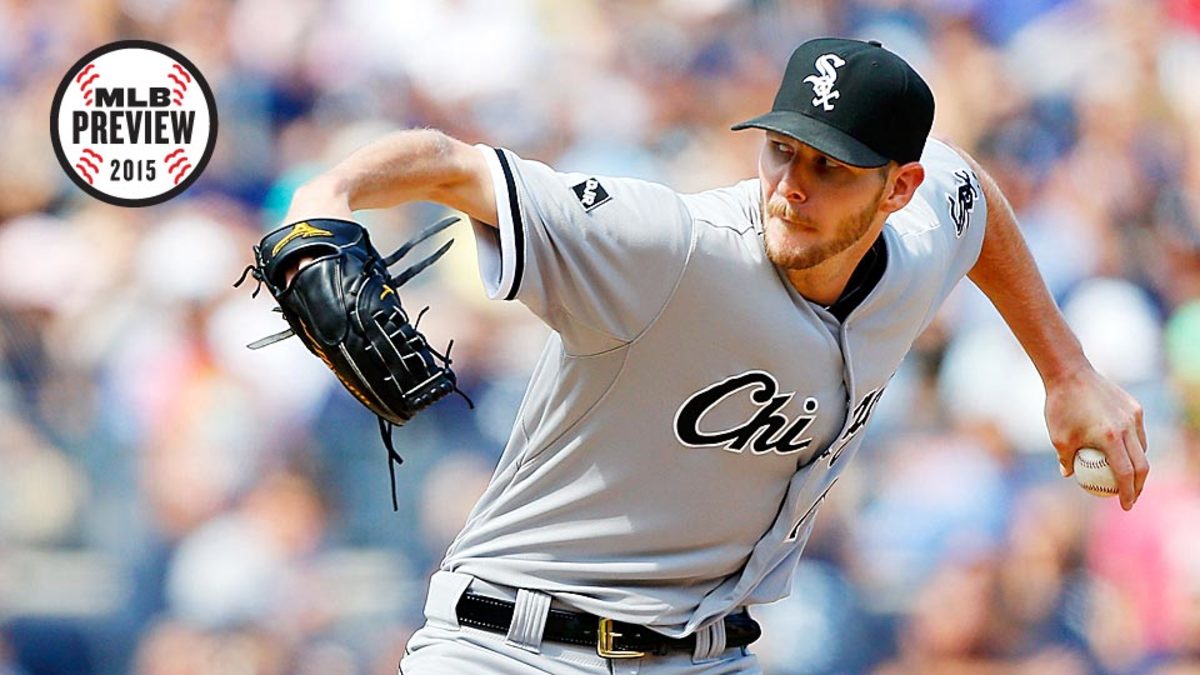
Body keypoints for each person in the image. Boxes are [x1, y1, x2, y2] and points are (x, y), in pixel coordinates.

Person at [282, 37, 1148, 674]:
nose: (792, 185)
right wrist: (321, 201)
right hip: (513, 644)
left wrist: (1066, 371)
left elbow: (971, 195)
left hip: (704, 655)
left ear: (899, 188)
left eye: (831, 167)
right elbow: (452, 164)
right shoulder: (669, 246)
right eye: (782, 149)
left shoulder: (922, 235)